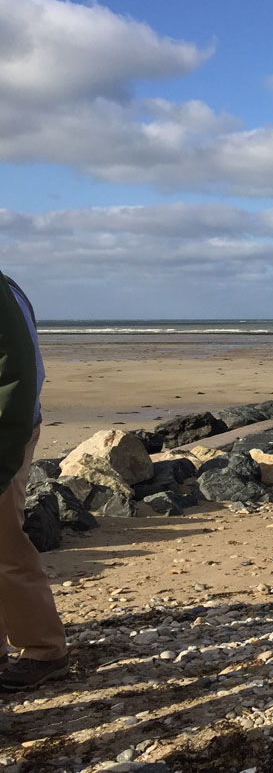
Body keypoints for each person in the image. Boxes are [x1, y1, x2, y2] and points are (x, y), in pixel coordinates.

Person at [0, 272, 68, 690]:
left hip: (6, 433)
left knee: (4, 545)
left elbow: (21, 376)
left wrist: (4, 455)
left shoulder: (3, 294)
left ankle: (45, 650)